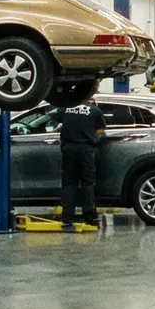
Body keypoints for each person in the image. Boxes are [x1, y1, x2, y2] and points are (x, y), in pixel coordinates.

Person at [58, 95, 105, 230]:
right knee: (87, 183)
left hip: (69, 149)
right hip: (86, 150)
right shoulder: (95, 111)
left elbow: (53, 118)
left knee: (69, 183)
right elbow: (101, 130)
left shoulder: (65, 109)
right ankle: (91, 217)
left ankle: (67, 218)